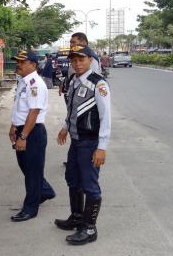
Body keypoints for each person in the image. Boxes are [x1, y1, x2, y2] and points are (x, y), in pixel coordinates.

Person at [55, 45, 111, 245]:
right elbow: (72, 109)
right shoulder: (73, 80)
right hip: (76, 141)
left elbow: (106, 118)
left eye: (81, 59)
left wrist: (101, 147)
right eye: (74, 60)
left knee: (90, 185)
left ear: (90, 60)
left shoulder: (98, 84)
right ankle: (77, 218)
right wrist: (64, 127)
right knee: (72, 178)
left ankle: (89, 228)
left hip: (90, 142)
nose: (77, 64)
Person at [9, 50, 55, 222]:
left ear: (33, 65)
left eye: (23, 61)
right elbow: (20, 108)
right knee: (27, 169)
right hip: (23, 128)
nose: (18, 64)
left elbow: (34, 112)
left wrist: (24, 137)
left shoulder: (35, 84)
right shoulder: (23, 81)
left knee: (32, 172)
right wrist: (14, 126)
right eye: (17, 61)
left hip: (32, 132)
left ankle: (30, 208)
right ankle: (45, 191)